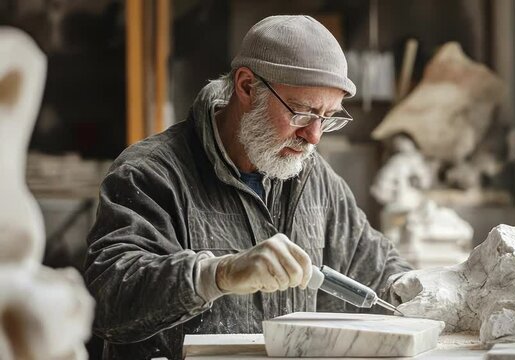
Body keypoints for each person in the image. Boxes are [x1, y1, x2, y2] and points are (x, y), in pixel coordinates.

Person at [84, 15, 412, 360]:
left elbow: (377, 267)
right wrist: (216, 274)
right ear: (246, 87)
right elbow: (107, 300)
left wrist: (424, 291)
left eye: (327, 118)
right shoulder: (150, 174)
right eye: (301, 113)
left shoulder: (315, 179)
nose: (313, 137)